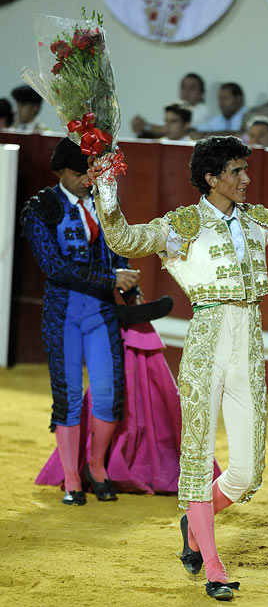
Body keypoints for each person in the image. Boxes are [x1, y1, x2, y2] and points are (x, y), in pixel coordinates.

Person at [88, 134, 268, 601]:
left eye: (245, 169)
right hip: (207, 341)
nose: (246, 179)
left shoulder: (258, 220)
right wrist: (105, 183)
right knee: (198, 456)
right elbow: (125, 238)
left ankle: (194, 522)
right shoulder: (184, 225)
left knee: (246, 472)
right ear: (211, 178)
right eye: (237, 171)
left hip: (249, 340)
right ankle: (214, 569)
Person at [20, 137, 160, 506]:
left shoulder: (103, 202)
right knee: (67, 399)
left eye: (91, 172)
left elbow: (116, 250)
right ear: (62, 172)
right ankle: (70, 477)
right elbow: (54, 266)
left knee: (108, 395)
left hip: (100, 314)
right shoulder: (40, 208)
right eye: (80, 173)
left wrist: (128, 283)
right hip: (63, 315)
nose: (87, 179)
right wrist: (110, 280)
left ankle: (95, 467)